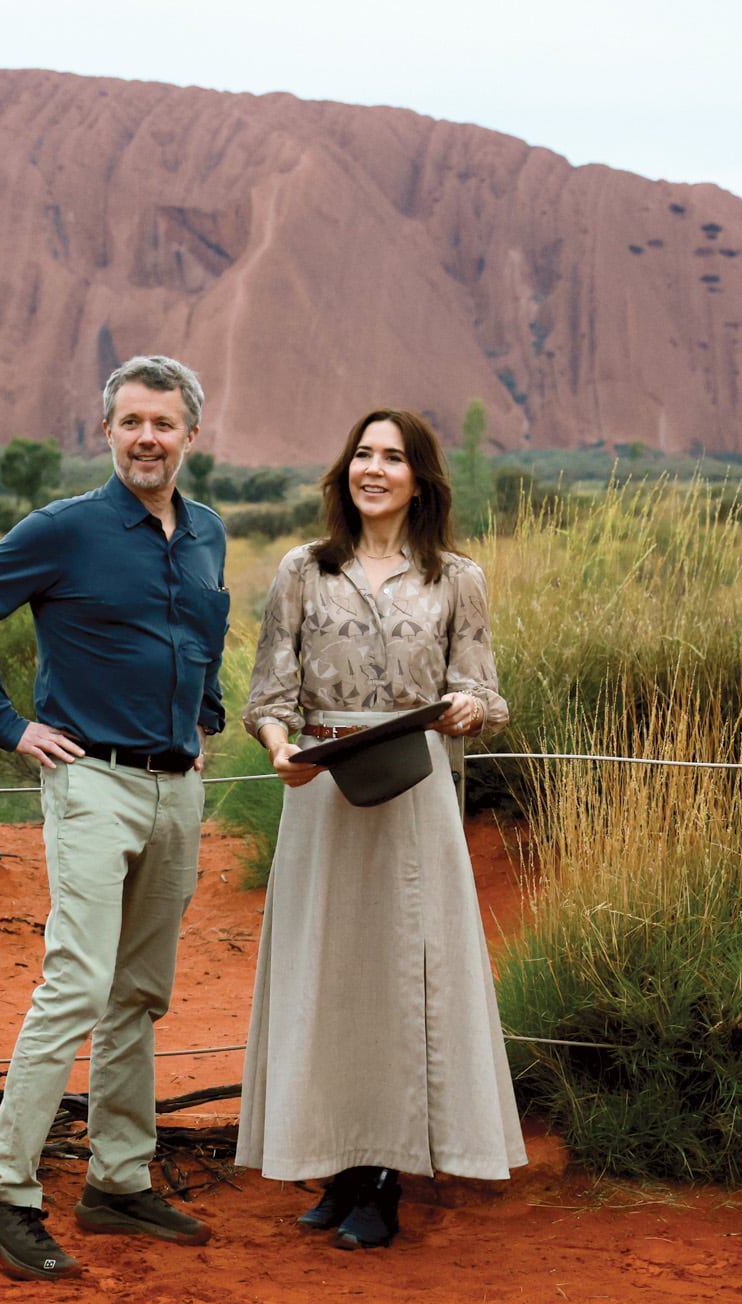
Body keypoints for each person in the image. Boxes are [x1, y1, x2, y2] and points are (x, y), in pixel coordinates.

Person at [0, 355, 231, 1280]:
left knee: (141, 990)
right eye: (132, 421)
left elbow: (201, 633)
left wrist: (208, 712)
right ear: (106, 431)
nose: (149, 437)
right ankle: (4, 1194)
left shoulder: (208, 532)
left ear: (191, 435)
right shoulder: (64, 530)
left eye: (165, 423)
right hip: (92, 780)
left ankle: (118, 1179)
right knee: (75, 981)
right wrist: (7, 724)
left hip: (176, 786)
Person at [236, 407, 525, 1249]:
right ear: (345, 471)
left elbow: (486, 691)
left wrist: (470, 707)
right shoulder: (302, 569)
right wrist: (280, 747)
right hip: (323, 787)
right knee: (327, 977)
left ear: (419, 478)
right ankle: (338, 1165)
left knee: (404, 982)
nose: (373, 468)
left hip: (414, 788)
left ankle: (385, 1180)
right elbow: (269, 693)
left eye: (392, 457)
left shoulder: (455, 578)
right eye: (362, 453)